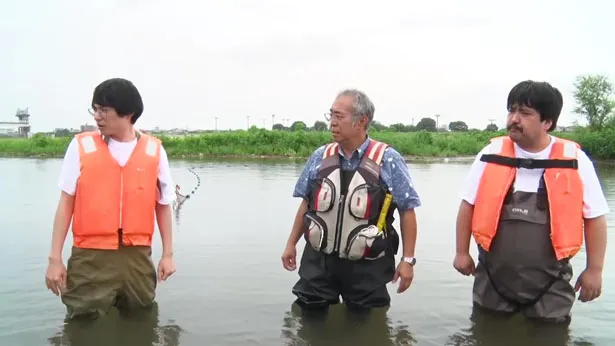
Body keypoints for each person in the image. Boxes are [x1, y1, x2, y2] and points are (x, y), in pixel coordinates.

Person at [453, 80, 609, 325]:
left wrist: (594, 270)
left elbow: (596, 218)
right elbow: (467, 206)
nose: (514, 119)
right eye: (511, 110)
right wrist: (461, 252)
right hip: (492, 281)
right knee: (485, 333)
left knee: (551, 336)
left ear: (548, 122)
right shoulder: (489, 155)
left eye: (524, 113)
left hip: (551, 287)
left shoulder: (576, 161)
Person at [44, 78, 177, 320]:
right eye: (94, 109)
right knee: (83, 324)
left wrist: (167, 255)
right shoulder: (80, 146)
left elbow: (163, 205)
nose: (97, 116)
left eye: (104, 110)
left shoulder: (154, 151)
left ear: (129, 114)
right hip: (89, 259)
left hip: (137, 258)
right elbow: (65, 203)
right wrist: (55, 259)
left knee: (140, 319)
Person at [281, 89, 421, 313]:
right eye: (331, 116)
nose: (332, 123)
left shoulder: (388, 159)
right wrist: (291, 245)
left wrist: (408, 260)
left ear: (361, 121)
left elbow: (407, 210)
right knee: (308, 319)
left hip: (367, 265)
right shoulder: (320, 156)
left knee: (366, 326)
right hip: (319, 262)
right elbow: (306, 204)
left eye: (339, 116)